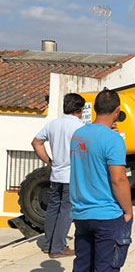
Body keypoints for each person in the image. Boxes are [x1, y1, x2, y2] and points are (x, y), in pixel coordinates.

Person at [70, 89, 132, 271]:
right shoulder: (113, 139)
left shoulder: (78, 135)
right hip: (107, 215)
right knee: (106, 267)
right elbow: (118, 179)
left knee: (82, 265)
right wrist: (128, 211)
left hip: (81, 213)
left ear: (95, 108)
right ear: (117, 110)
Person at [32, 93, 86, 257]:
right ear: (80, 109)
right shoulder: (80, 127)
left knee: (53, 209)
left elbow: (36, 142)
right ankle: (58, 247)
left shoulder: (53, 124)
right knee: (66, 211)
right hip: (72, 175)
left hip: (56, 174)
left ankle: (49, 244)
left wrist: (49, 160)